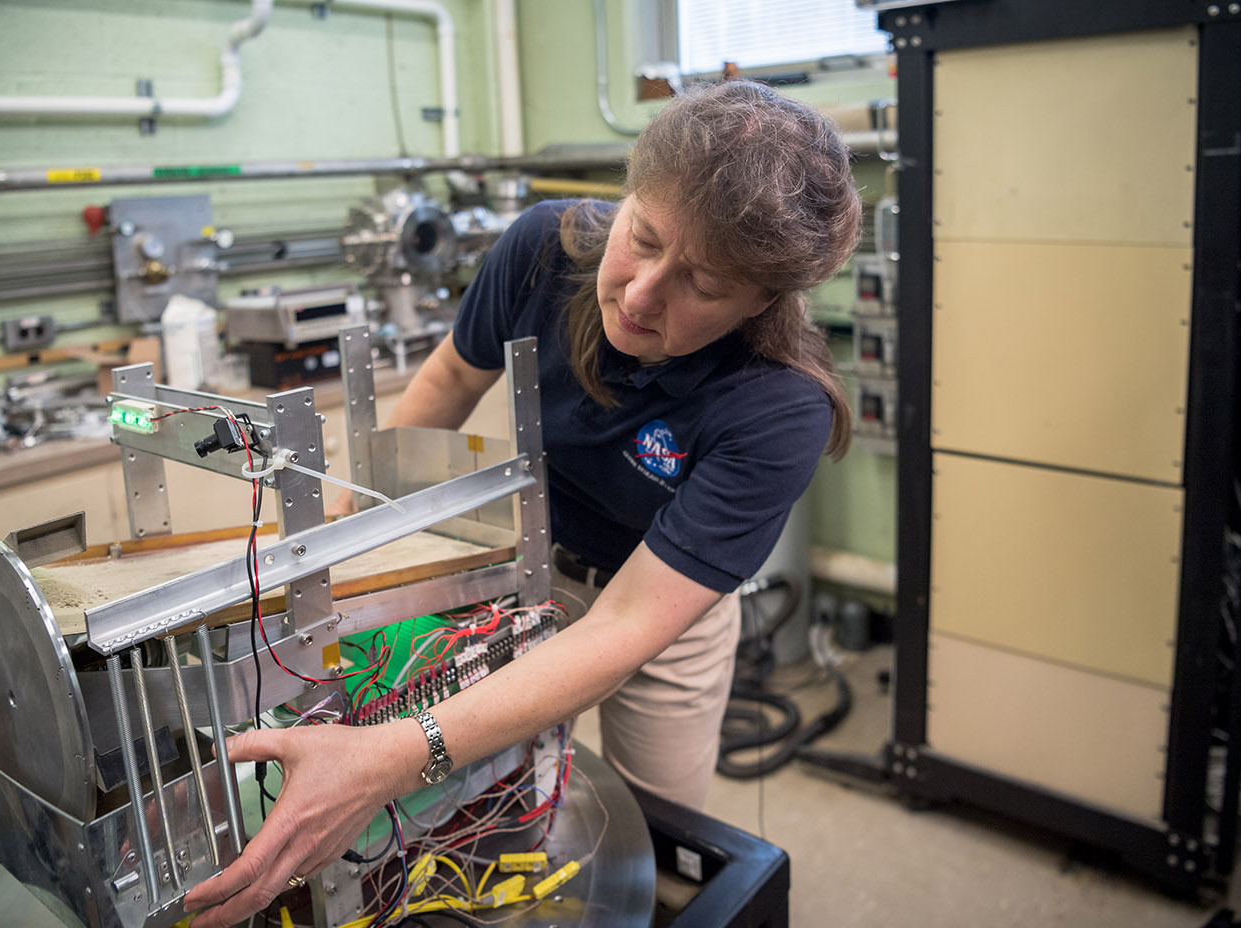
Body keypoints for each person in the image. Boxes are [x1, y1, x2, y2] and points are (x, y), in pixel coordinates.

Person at [184, 79, 860, 927]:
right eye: (641, 238)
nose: (643, 294)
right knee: (483, 808)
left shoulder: (780, 406)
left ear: (762, 300)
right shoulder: (545, 248)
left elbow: (625, 629)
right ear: (625, 198)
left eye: (703, 285)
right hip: (514, 565)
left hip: (659, 612)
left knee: (653, 834)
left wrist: (392, 758)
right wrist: (362, 561)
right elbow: (445, 383)